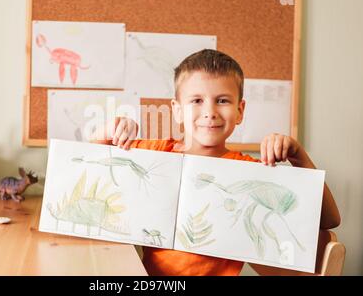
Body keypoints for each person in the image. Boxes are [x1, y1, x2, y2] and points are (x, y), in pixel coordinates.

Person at [91, 49, 341, 276]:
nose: (210, 111)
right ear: (177, 110)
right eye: (196, 100)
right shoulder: (156, 154)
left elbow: (329, 221)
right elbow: (85, 167)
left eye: (222, 100)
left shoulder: (250, 171)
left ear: (240, 111)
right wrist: (108, 131)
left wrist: (299, 155)